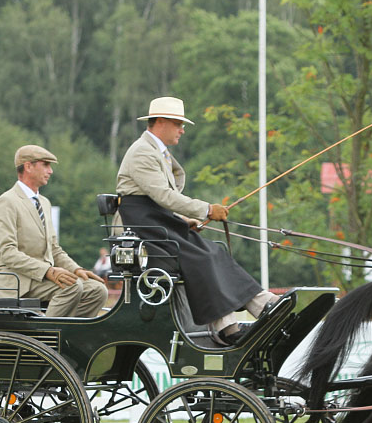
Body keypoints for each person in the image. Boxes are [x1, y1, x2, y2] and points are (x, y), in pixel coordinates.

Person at [115, 96, 278, 345]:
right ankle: (233, 324)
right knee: (202, 256)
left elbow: (159, 200)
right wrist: (206, 210)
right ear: (160, 122)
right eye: (178, 124)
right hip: (143, 230)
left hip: (158, 223)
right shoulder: (142, 152)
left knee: (214, 251)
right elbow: (163, 195)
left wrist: (183, 219)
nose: (182, 130)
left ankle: (260, 304)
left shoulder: (159, 153)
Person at [0, 145, 107, 317]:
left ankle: (70, 338)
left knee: (98, 290)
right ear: (28, 166)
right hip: (16, 281)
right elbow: (7, 252)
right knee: (72, 287)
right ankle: (47, 338)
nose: (50, 171)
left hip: (41, 278)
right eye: (45, 165)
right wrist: (48, 271)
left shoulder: (43, 202)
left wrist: (75, 269)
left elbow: (53, 249)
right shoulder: (6, 202)